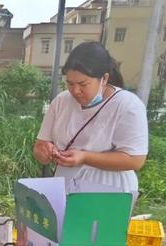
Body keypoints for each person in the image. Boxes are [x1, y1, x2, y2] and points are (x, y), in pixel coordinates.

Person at [33, 42, 148, 196]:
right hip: (65, 188)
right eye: (70, 83)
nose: (76, 91)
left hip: (109, 192)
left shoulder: (127, 105)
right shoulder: (61, 101)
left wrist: (85, 158)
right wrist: (45, 152)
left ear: (104, 79)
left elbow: (135, 160)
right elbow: (40, 147)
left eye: (83, 84)